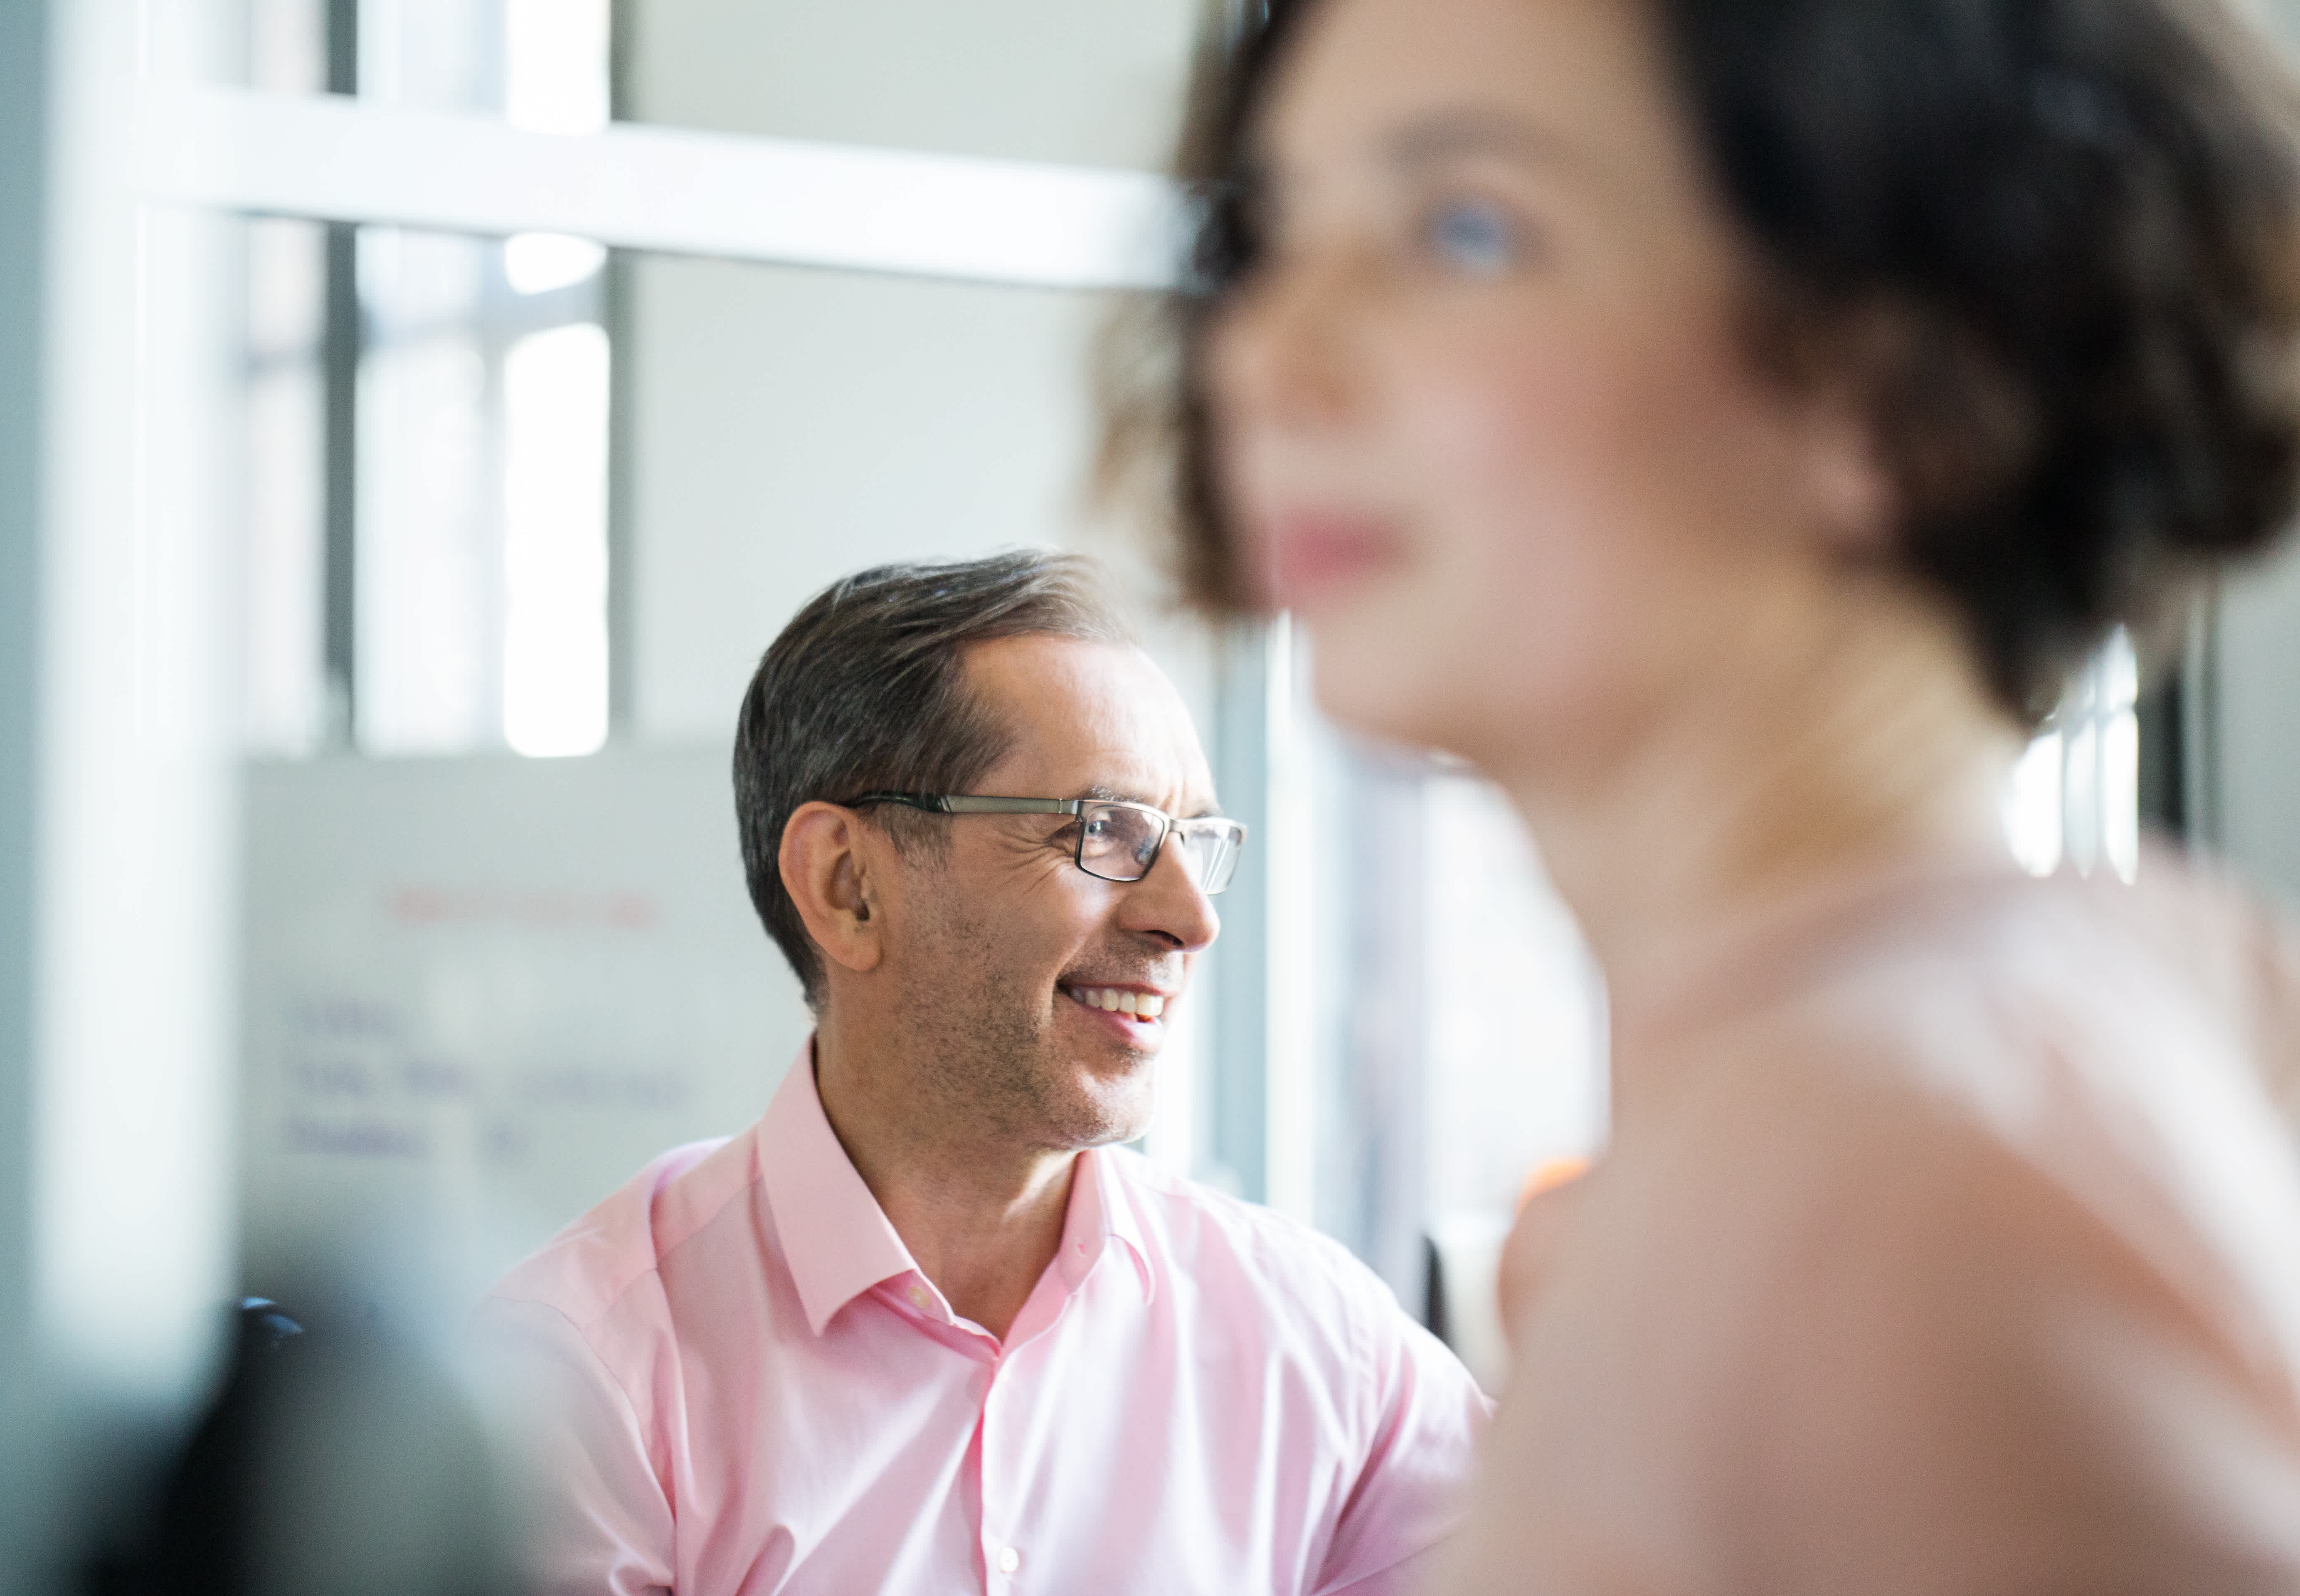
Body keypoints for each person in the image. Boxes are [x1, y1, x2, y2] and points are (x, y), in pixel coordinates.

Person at [1132, 0, 2300, 1586]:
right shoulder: (2102, 1004)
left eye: (1468, 228)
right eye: (1269, 230)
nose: (1274, 354)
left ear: (1902, 382)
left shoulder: (1886, 1186)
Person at [478, 552, 1488, 1596]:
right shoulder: (577, 1378)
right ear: (849, 887)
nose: (1192, 919)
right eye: (1107, 833)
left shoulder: (1314, 1341)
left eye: (1193, 841)